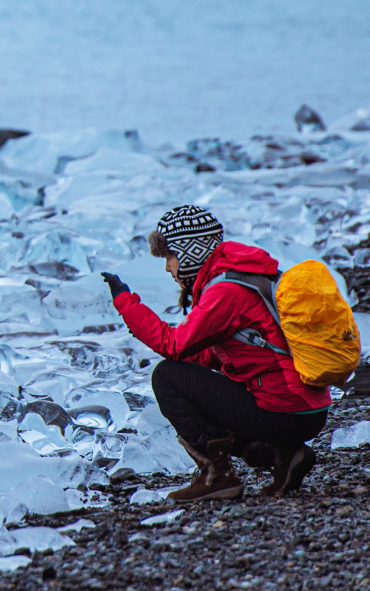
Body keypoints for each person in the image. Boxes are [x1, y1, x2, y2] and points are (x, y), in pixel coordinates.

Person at [100, 205, 329, 501]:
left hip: (286, 412)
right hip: (305, 408)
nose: (167, 267)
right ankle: (282, 454)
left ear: (189, 252)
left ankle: (218, 477)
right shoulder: (244, 278)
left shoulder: (225, 292)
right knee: (188, 376)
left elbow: (173, 345)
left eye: (169, 257)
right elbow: (211, 356)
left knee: (167, 377)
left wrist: (126, 304)